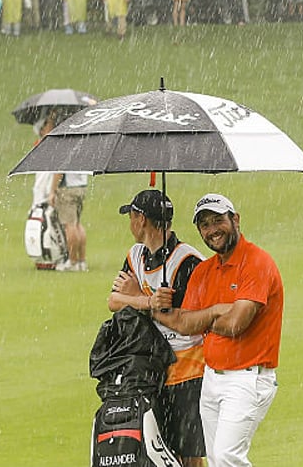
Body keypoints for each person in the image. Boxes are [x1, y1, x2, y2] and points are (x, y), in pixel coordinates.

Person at [150, 193, 282, 467]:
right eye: (205, 225)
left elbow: (236, 324)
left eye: (218, 221)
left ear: (235, 220)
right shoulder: (204, 271)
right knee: (215, 459)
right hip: (211, 379)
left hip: (247, 379)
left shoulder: (257, 262)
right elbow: (185, 325)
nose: (212, 230)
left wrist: (204, 319)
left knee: (226, 457)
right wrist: (213, 311)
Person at [108, 189, 206, 467]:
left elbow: (187, 320)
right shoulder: (135, 256)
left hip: (187, 370)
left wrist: (138, 300)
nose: (130, 222)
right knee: (158, 448)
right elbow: (114, 300)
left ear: (140, 219)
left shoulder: (187, 261)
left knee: (189, 453)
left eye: (131, 216)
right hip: (149, 370)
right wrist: (147, 299)